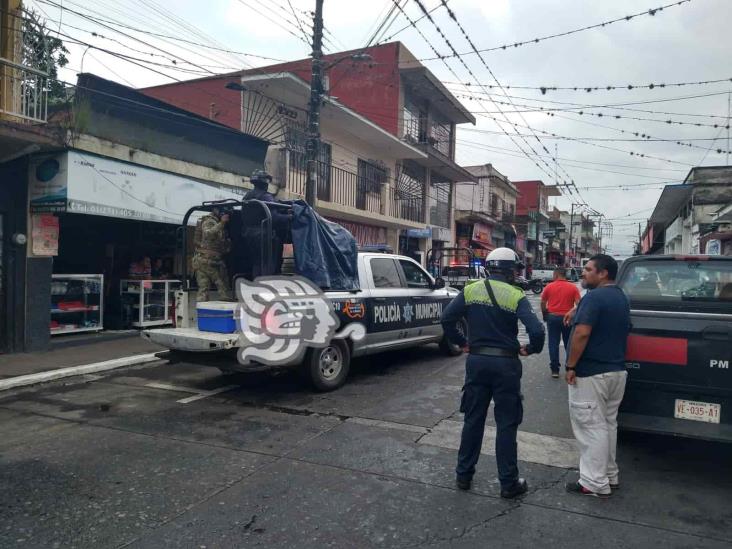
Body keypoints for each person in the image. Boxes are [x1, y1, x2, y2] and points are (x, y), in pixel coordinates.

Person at [441, 247, 545, 499]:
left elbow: (447, 318)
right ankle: (508, 483)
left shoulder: (470, 290)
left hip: (476, 362)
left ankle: (463, 476)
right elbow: (537, 331)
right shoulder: (515, 294)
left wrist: (462, 342)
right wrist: (531, 349)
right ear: (511, 272)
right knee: (506, 424)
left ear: (489, 268)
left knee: (472, 420)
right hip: (506, 366)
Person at [564, 254, 630, 498]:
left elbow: (582, 333)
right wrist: (577, 308)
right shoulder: (619, 296)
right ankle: (609, 475)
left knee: (591, 427)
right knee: (607, 425)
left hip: (592, 373)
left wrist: (571, 365)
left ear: (603, 274)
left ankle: (593, 482)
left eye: (589, 269)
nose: (583, 272)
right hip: (616, 372)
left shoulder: (595, 297)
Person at [243, 169, 289, 277]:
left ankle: (257, 285)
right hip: (264, 236)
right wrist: (289, 217)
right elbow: (274, 218)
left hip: (248, 234)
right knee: (269, 263)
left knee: (257, 262)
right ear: (265, 183)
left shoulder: (247, 196)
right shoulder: (265, 197)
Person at [541, 267, 581, 378]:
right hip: (567, 318)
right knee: (569, 343)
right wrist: (573, 314)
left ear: (556, 275)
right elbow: (579, 304)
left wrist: (545, 314)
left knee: (553, 343)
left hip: (552, 318)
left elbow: (543, 302)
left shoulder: (549, 287)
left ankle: (555, 370)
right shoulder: (573, 287)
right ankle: (569, 367)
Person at [192, 207, 232, 302]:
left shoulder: (212, 221)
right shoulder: (210, 221)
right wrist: (221, 223)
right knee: (218, 287)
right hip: (208, 261)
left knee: (204, 291)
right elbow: (208, 234)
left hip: (207, 260)